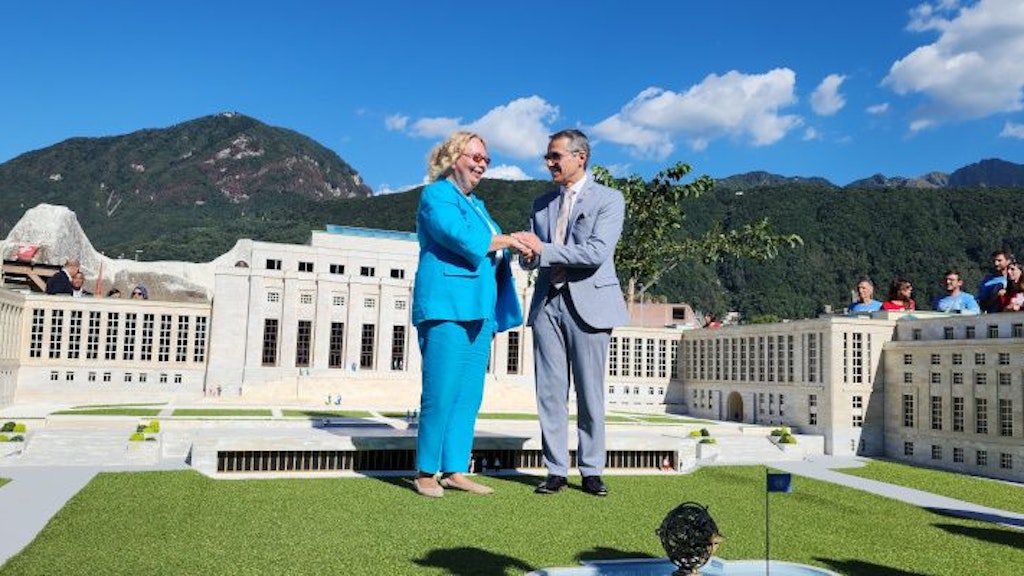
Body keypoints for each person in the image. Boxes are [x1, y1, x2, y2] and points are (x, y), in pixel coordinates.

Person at [410, 131, 524, 498]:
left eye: (486, 160)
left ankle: (455, 469)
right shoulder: (436, 195)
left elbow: (493, 249)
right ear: (453, 157)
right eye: (475, 156)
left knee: (468, 395)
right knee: (440, 392)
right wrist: (510, 239)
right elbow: (460, 238)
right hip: (446, 307)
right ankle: (426, 470)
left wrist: (516, 248)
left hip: (479, 310)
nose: (481, 164)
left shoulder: (478, 204)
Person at [514, 129, 628, 497]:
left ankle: (591, 470)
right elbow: (530, 258)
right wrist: (527, 252)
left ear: (580, 157)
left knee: (589, 391)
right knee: (549, 392)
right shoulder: (540, 204)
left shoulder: (610, 200)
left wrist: (542, 250)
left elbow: (596, 253)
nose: (549, 163)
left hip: (590, 305)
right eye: (547, 157)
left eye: (555, 156)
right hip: (547, 303)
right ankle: (555, 471)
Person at [977, 249, 1011, 313]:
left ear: (1008, 261)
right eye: (994, 261)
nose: (996, 263)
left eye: (999, 260)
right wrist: (995, 295)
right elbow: (982, 303)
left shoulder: (1014, 278)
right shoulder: (987, 281)